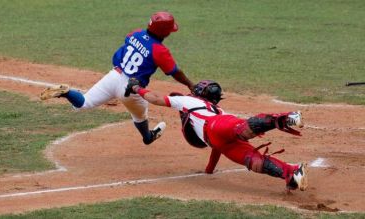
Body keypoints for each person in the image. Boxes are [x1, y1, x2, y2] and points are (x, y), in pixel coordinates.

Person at [124, 78, 308, 191]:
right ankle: (292, 174)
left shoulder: (187, 100)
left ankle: (288, 118)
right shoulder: (217, 109)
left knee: (242, 129)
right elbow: (216, 146)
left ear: (200, 93)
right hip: (219, 140)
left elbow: (155, 99)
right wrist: (210, 168)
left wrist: (136, 89)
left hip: (215, 126)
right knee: (254, 161)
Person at [40, 11, 194, 145]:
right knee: (139, 115)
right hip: (131, 88)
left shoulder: (136, 33)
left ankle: (66, 92)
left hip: (114, 76)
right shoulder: (160, 50)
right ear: (164, 32)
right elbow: (175, 72)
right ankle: (148, 137)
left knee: (84, 103)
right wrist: (190, 84)